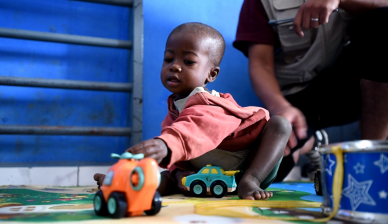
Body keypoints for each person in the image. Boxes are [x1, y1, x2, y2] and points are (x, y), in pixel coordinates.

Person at [94, 22, 291, 200]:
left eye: (188, 62)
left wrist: (165, 146)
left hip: (246, 163)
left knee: (280, 124)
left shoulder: (211, 105)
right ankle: (124, 184)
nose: (175, 67)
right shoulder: (174, 110)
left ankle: (251, 181)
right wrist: (178, 172)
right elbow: (180, 142)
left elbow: (195, 128)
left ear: (211, 74)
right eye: (168, 59)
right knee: (167, 177)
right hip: (203, 169)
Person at [233, 0, 388, 181]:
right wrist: (280, 107)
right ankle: (311, 143)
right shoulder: (259, 2)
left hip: (356, 86)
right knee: (268, 168)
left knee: (384, 19)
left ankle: (369, 155)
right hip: (298, 96)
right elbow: (261, 63)